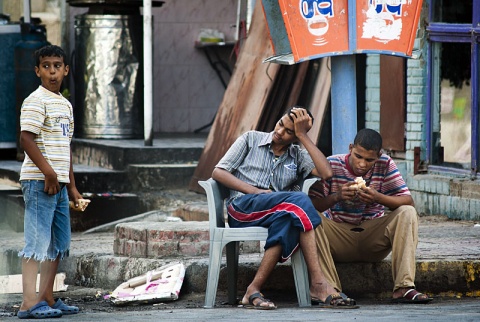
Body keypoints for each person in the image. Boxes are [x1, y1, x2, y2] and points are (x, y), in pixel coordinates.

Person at [212, 106, 358, 309]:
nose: (280, 132)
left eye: (290, 131)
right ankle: (317, 282)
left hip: (278, 211)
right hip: (243, 207)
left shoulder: (296, 155)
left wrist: (303, 136)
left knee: (288, 221)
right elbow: (219, 172)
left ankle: (253, 289)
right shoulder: (250, 139)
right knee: (299, 200)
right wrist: (254, 191)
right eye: (281, 124)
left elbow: (326, 173)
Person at [309, 128, 433, 304]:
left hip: (372, 239)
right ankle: (332, 291)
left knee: (407, 212)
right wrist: (336, 197)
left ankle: (404, 287)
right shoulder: (332, 164)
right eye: (358, 156)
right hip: (338, 238)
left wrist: (378, 197)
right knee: (310, 216)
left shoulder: (385, 164)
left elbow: (408, 200)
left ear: (378, 156)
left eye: (369, 160)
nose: (362, 164)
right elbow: (311, 204)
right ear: (350, 148)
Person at [17, 45, 83, 319]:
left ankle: (47, 297)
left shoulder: (65, 105)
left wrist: (72, 185)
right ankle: (28, 303)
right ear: (37, 71)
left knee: (57, 244)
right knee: (36, 243)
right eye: (46, 66)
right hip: (39, 182)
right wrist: (48, 173)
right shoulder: (36, 100)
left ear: (66, 70)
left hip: (59, 184)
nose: (52, 71)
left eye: (57, 66)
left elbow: (65, 147)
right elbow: (26, 139)